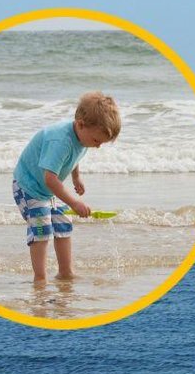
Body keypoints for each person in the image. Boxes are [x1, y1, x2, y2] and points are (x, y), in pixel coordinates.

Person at [12, 91, 121, 284]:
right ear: (80, 124)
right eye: (97, 141)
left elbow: (73, 158)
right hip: (30, 186)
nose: (97, 147)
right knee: (41, 230)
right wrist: (74, 202)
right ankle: (40, 278)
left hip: (50, 187)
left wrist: (76, 177)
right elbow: (50, 178)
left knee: (63, 224)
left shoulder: (83, 137)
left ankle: (65, 272)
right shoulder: (60, 141)